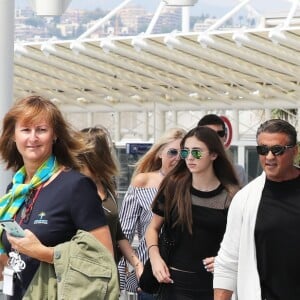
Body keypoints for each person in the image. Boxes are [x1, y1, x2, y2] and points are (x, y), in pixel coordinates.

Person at [0, 96, 114, 299]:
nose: (33, 138)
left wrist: (43, 252)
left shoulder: (76, 186)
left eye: (41, 130)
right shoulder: (15, 190)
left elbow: (104, 258)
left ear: (54, 135)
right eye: (25, 130)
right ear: (13, 136)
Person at [145, 126, 240, 300]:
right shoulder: (173, 186)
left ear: (213, 154)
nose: (189, 158)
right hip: (173, 284)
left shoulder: (231, 196)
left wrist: (224, 260)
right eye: (185, 152)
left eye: (196, 152)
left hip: (213, 287)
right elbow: (152, 228)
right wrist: (155, 257)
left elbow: (240, 242)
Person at [214, 119, 300, 300]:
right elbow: (228, 262)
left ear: (295, 150)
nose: (269, 157)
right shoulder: (245, 199)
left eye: (277, 150)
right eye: (263, 149)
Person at [118, 127, 186, 300]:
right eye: (172, 152)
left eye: (183, 153)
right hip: (151, 275)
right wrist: (138, 267)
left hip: (186, 275)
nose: (178, 158)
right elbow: (123, 232)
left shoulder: (193, 184)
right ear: (159, 154)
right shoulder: (143, 181)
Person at [78, 126, 143, 276]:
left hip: (108, 273)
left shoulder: (106, 183)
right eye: (106, 149)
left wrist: (137, 264)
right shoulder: (74, 186)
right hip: (82, 276)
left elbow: (116, 230)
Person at [197, 114, 248, 187]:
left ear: (225, 137)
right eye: (211, 133)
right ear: (198, 137)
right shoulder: (190, 168)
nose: (216, 138)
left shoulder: (237, 172)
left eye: (220, 133)